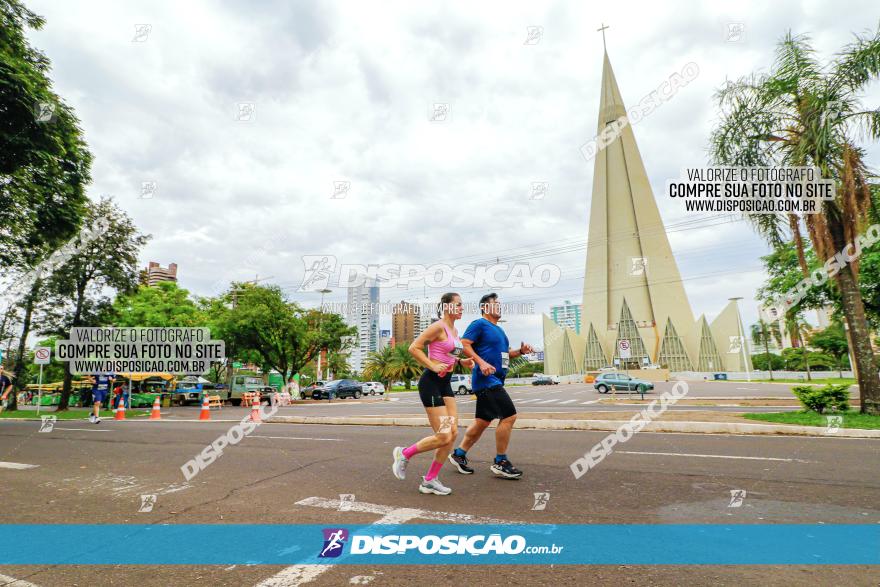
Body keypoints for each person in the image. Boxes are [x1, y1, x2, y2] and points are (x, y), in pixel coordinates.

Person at [391, 293, 474, 495]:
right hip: (431, 384)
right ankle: (404, 453)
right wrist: (432, 366)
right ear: (447, 307)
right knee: (444, 435)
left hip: (445, 386)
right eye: (459, 305)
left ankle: (429, 480)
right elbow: (414, 347)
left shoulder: (454, 330)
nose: (462, 308)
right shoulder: (438, 326)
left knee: (452, 434)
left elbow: (449, 354)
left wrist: (461, 362)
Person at [449, 292, 533, 479]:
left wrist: (520, 351)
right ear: (485, 308)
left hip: (495, 380)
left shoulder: (500, 331)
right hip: (487, 381)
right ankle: (500, 462)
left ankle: (459, 454)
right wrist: (481, 363)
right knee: (509, 416)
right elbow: (464, 344)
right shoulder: (480, 324)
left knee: (482, 422)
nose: (500, 306)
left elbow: (503, 355)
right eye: (496, 303)